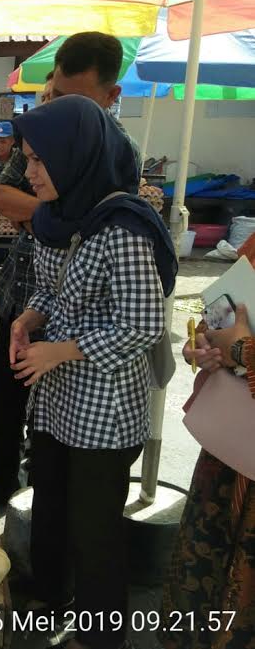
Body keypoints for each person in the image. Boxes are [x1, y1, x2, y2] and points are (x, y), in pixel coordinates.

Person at [9, 95, 177, 649]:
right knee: (51, 503)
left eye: (38, 160)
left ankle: (102, 631)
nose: (28, 171)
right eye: (26, 159)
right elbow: (50, 288)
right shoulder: (57, 215)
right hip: (56, 399)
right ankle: (50, 598)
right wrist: (30, 317)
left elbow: (143, 323)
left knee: (94, 526)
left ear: (75, 156)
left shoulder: (122, 227)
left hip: (104, 406)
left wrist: (60, 350)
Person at [0, 32, 136, 509]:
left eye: (78, 100)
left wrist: (58, 216)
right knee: (11, 406)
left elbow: (136, 322)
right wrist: (55, 210)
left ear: (111, 98)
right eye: (57, 94)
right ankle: (5, 487)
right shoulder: (45, 143)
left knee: (81, 492)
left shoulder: (118, 180)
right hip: (29, 294)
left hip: (90, 369)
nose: (62, 108)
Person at [160, 237, 255, 649]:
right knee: (208, 558)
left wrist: (239, 348)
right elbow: (220, 314)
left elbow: (239, 340)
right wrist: (203, 345)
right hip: (232, 447)